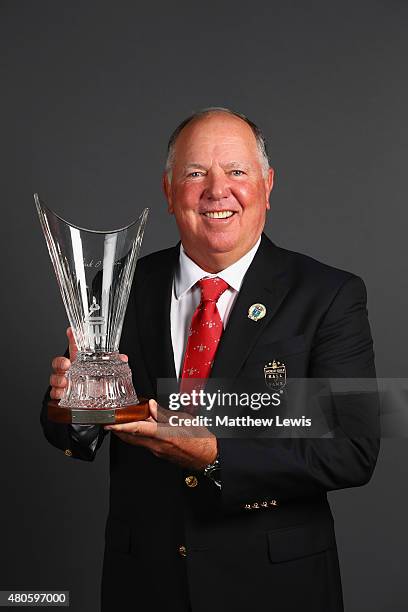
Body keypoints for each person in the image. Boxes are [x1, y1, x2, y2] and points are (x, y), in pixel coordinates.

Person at [42, 107, 380, 612]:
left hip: (277, 589)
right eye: (196, 173)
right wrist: (73, 406)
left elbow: (353, 448)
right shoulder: (119, 286)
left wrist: (214, 451)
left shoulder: (330, 294)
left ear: (268, 185)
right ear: (168, 189)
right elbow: (67, 429)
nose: (216, 190)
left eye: (237, 172)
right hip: (145, 584)